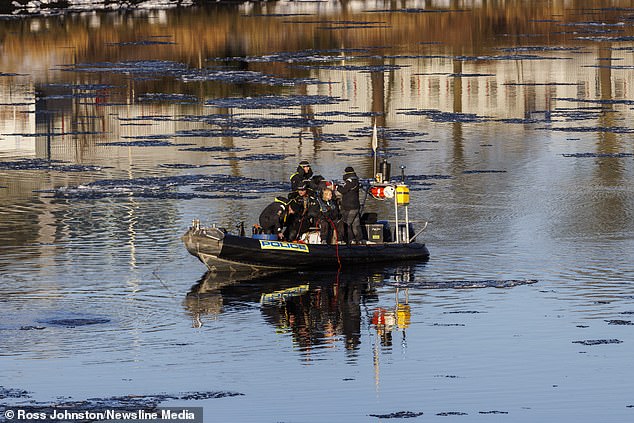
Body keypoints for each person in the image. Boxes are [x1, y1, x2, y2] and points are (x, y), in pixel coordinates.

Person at [336, 166, 363, 244]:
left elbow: (343, 190)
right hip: (356, 206)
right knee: (356, 224)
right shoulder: (357, 181)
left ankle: (350, 240)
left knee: (346, 224)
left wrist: (337, 187)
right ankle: (359, 239)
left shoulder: (350, 181)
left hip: (349, 207)